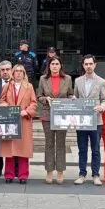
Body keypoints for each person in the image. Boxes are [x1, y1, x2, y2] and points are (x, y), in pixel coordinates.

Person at [37, 56, 73, 184]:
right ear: (49, 66)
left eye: (57, 64)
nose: (55, 66)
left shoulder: (67, 78)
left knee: (61, 144)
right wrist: (46, 99)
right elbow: (39, 96)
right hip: (47, 114)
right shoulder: (43, 79)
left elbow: (70, 94)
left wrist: (72, 97)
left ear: (60, 65)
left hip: (62, 115)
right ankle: (49, 170)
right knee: (49, 143)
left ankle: (60, 171)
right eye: (52, 64)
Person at [73, 55, 105, 186]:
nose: (88, 66)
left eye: (90, 64)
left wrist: (102, 107)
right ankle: (82, 174)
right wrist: (74, 101)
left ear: (95, 65)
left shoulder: (101, 82)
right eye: (86, 64)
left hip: (96, 121)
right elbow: (75, 97)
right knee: (82, 149)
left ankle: (96, 175)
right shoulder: (77, 81)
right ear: (83, 65)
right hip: (82, 121)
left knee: (96, 149)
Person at [0, 64, 37, 184]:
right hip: (10, 120)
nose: (18, 73)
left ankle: (23, 175)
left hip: (23, 120)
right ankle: (9, 175)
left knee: (23, 149)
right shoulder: (7, 86)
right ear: (13, 73)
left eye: (21, 71)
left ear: (24, 73)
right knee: (9, 149)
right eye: (16, 71)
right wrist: (5, 106)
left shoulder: (29, 86)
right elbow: (2, 100)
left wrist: (27, 111)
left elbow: (34, 103)